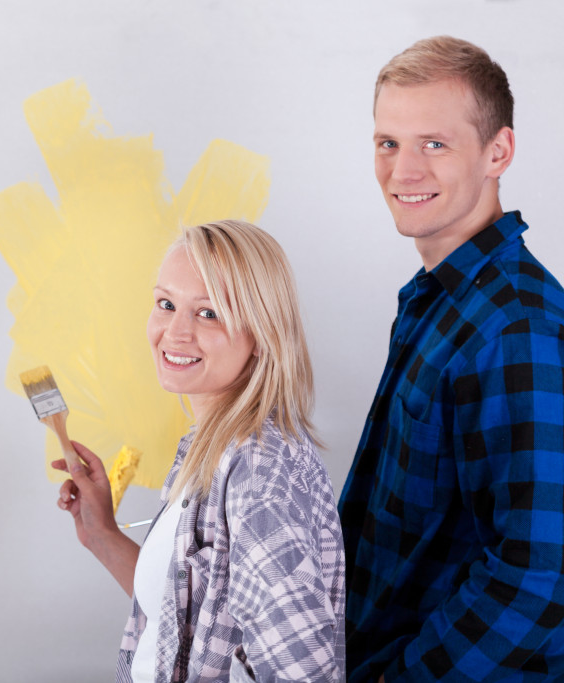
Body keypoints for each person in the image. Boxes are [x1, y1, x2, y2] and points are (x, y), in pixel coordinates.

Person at [339, 36, 564, 681]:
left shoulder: (516, 326)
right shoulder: (440, 299)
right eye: (388, 143)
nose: (402, 171)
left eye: (433, 144)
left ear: (499, 151)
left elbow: (538, 574)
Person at [55, 220, 345, 682]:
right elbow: (188, 618)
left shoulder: (259, 470)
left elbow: (304, 673)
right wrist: (102, 533)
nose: (175, 332)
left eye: (208, 313)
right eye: (166, 304)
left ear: (261, 335)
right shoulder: (208, 448)